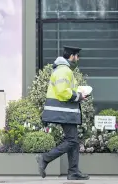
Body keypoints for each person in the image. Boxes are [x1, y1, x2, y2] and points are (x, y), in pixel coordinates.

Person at [36, 46, 90, 180]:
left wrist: (80, 93)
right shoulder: (64, 70)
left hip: (66, 111)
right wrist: (78, 96)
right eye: (77, 56)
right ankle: (45, 158)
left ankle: (73, 172)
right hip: (64, 111)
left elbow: (67, 89)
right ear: (72, 56)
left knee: (74, 141)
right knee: (72, 140)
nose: (78, 59)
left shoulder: (64, 70)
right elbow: (62, 91)